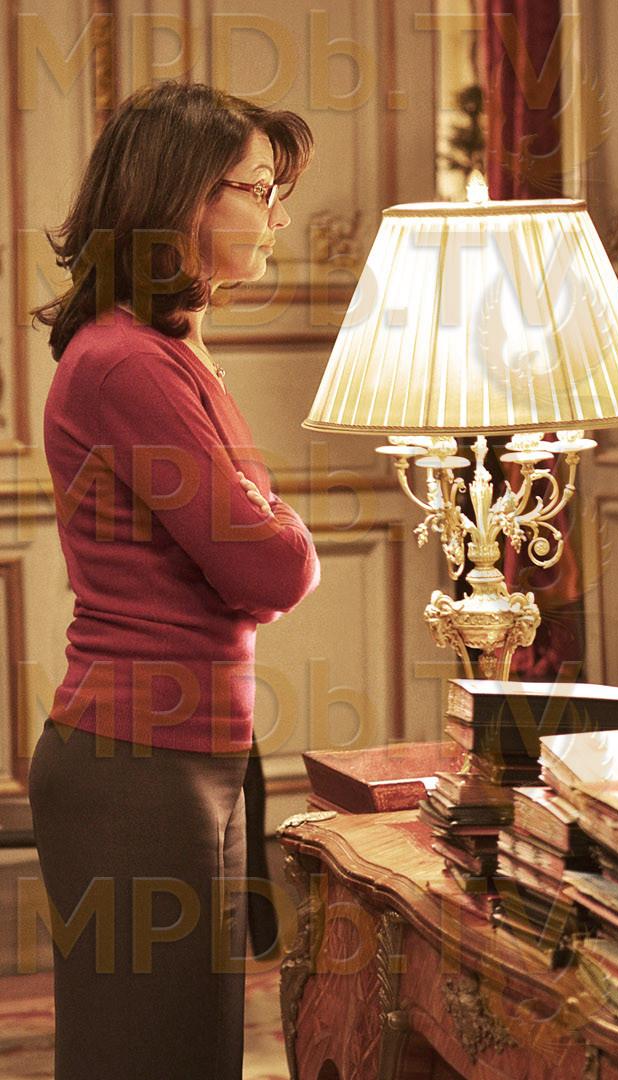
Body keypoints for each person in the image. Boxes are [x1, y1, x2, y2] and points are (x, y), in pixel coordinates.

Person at [30, 81, 319, 1079]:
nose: (276, 217)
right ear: (181, 199)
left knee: (194, 1053)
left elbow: (255, 546)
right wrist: (279, 525)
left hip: (186, 754)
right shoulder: (130, 365)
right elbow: (271, 564)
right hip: (138, 768)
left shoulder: (166, 351)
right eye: (257, 189)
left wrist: (266, 519)